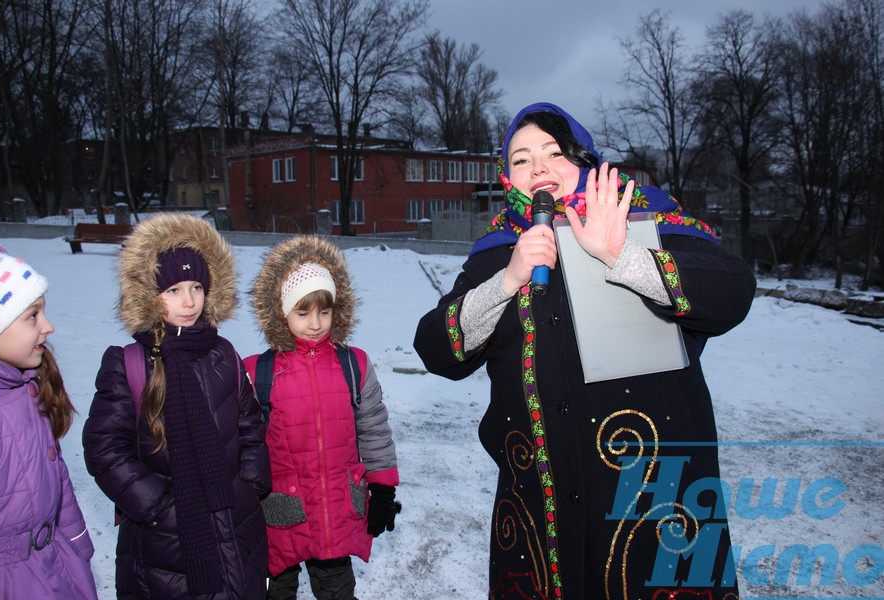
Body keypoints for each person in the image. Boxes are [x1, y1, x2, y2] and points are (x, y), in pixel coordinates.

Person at [414, 102, 756, 600]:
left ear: (585, 160)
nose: (538, 168)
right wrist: (505, 282)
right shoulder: (496, 250)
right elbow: (434, 349)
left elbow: (732, 293)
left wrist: (621, 255)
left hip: (654, 499)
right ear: (507, 178)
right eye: (521, 159)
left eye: (554, 152)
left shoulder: (646, 220)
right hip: (540, 511)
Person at [82, 214, 272, 599]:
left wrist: (249, 484)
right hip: (165, 543)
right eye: (173, 290)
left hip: (235, 524)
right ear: (148, 294)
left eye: (197, 286)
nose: (189, 301)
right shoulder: (129, 363)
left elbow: (251, 424)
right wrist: (156, 507)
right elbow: (104, 449)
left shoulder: (223, 354)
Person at [243, 235, 400, 600]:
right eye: (302, 312)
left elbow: (373, 428)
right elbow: (243, 443)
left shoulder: (353, 364)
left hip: (335, 510)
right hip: (279, 511)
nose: (315, 323)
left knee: (337, 590)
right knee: (275, 591)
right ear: (280, 311)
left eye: (324, 311)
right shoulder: (258, 371)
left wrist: (382, 489)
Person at [0, 244, 99, 599]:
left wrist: (77, 543)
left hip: (55, 564)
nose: (48, 326)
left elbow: (56, 475)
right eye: (32, 316)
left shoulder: (30, 388)